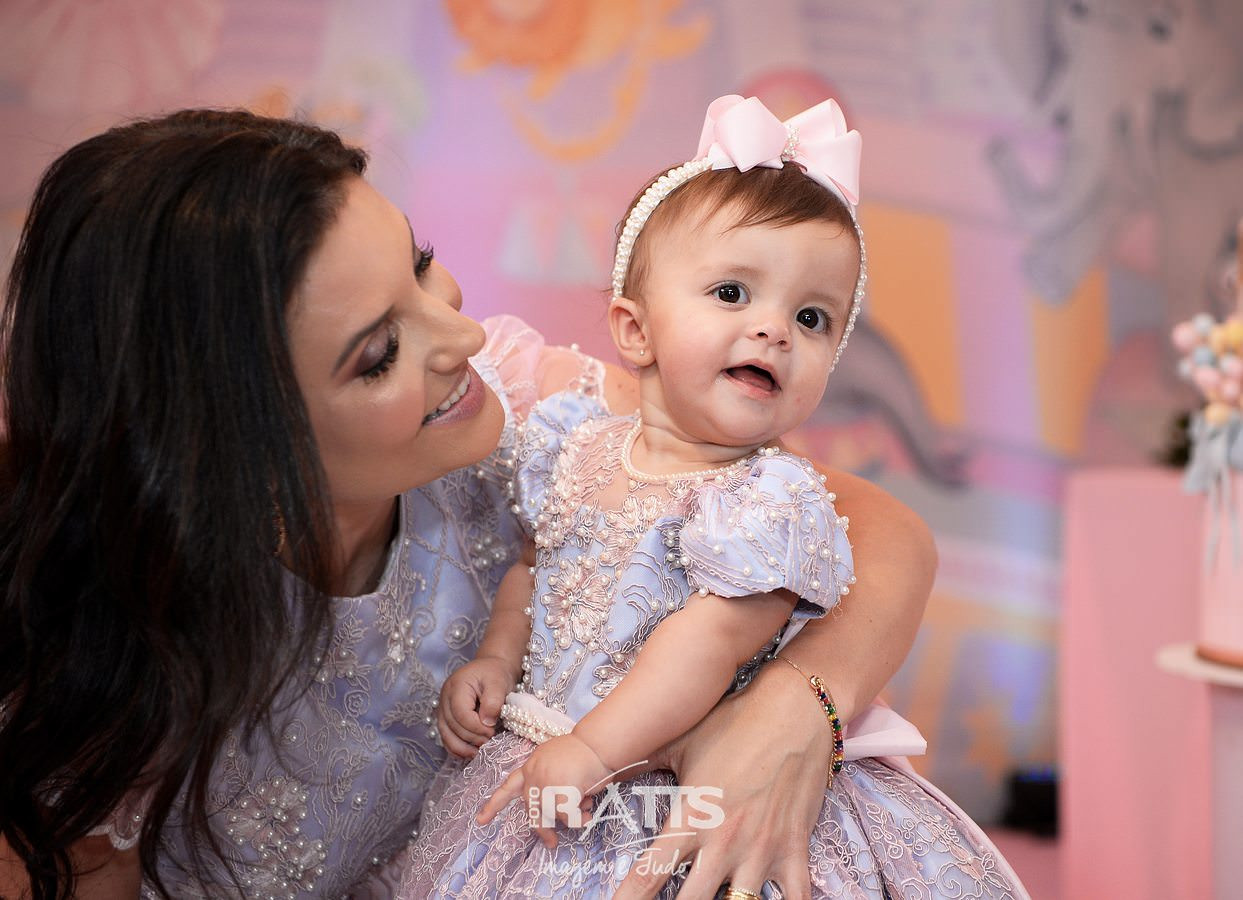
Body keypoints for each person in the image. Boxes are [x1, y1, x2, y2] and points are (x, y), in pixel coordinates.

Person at [0, 107, 935, 900]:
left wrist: (793, 708)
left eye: (420, 264)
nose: (461, 334)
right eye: (378, 355)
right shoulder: (106, 686)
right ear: (236, 447)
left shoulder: (523, 403)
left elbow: (876, 529)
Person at [398, 95, 1029, 899]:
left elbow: (706, 645)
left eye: (811, 318)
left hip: (662, 785)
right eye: (732, 294)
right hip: (545, 746)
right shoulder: (572, 439)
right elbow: (532, 565)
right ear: (635, 330)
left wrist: (593, 751)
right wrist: (495, 659)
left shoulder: (768, 501)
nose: (774, 330)